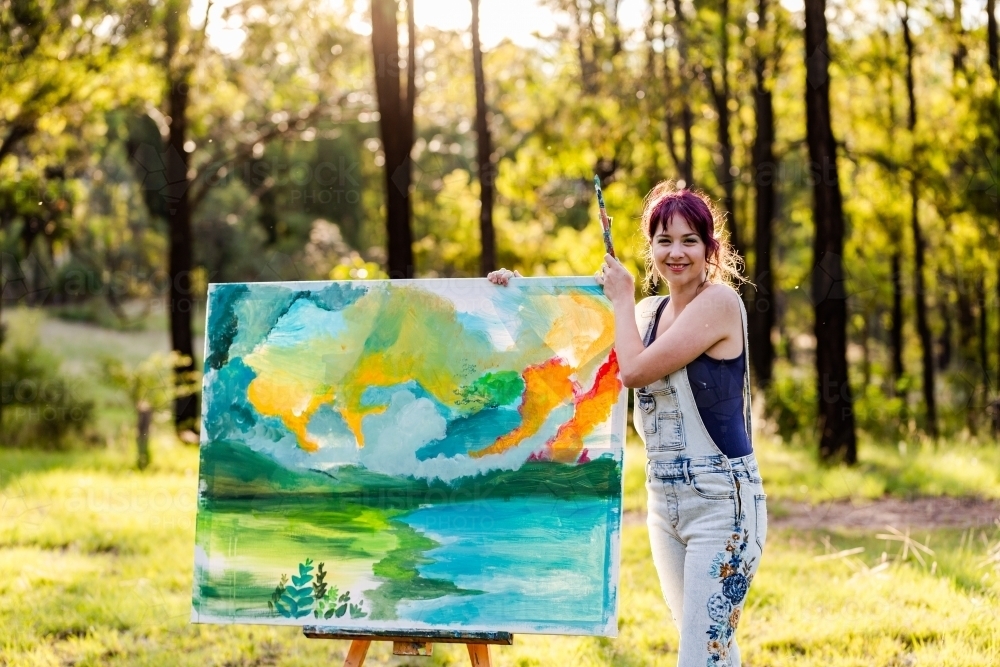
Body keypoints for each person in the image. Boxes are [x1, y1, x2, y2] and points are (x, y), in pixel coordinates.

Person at [488, 181, 766, 667]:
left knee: (701, 654)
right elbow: (570, 355)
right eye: (664, 240)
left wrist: (619, 298)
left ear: (710, 250)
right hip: (665, 503)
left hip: (723, 506)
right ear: (650, 248)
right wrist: (518, 295)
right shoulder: (645, 313)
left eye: (689, 241)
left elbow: (635, 370)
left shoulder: (720, 304)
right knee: (712, 648)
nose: (675, 252)